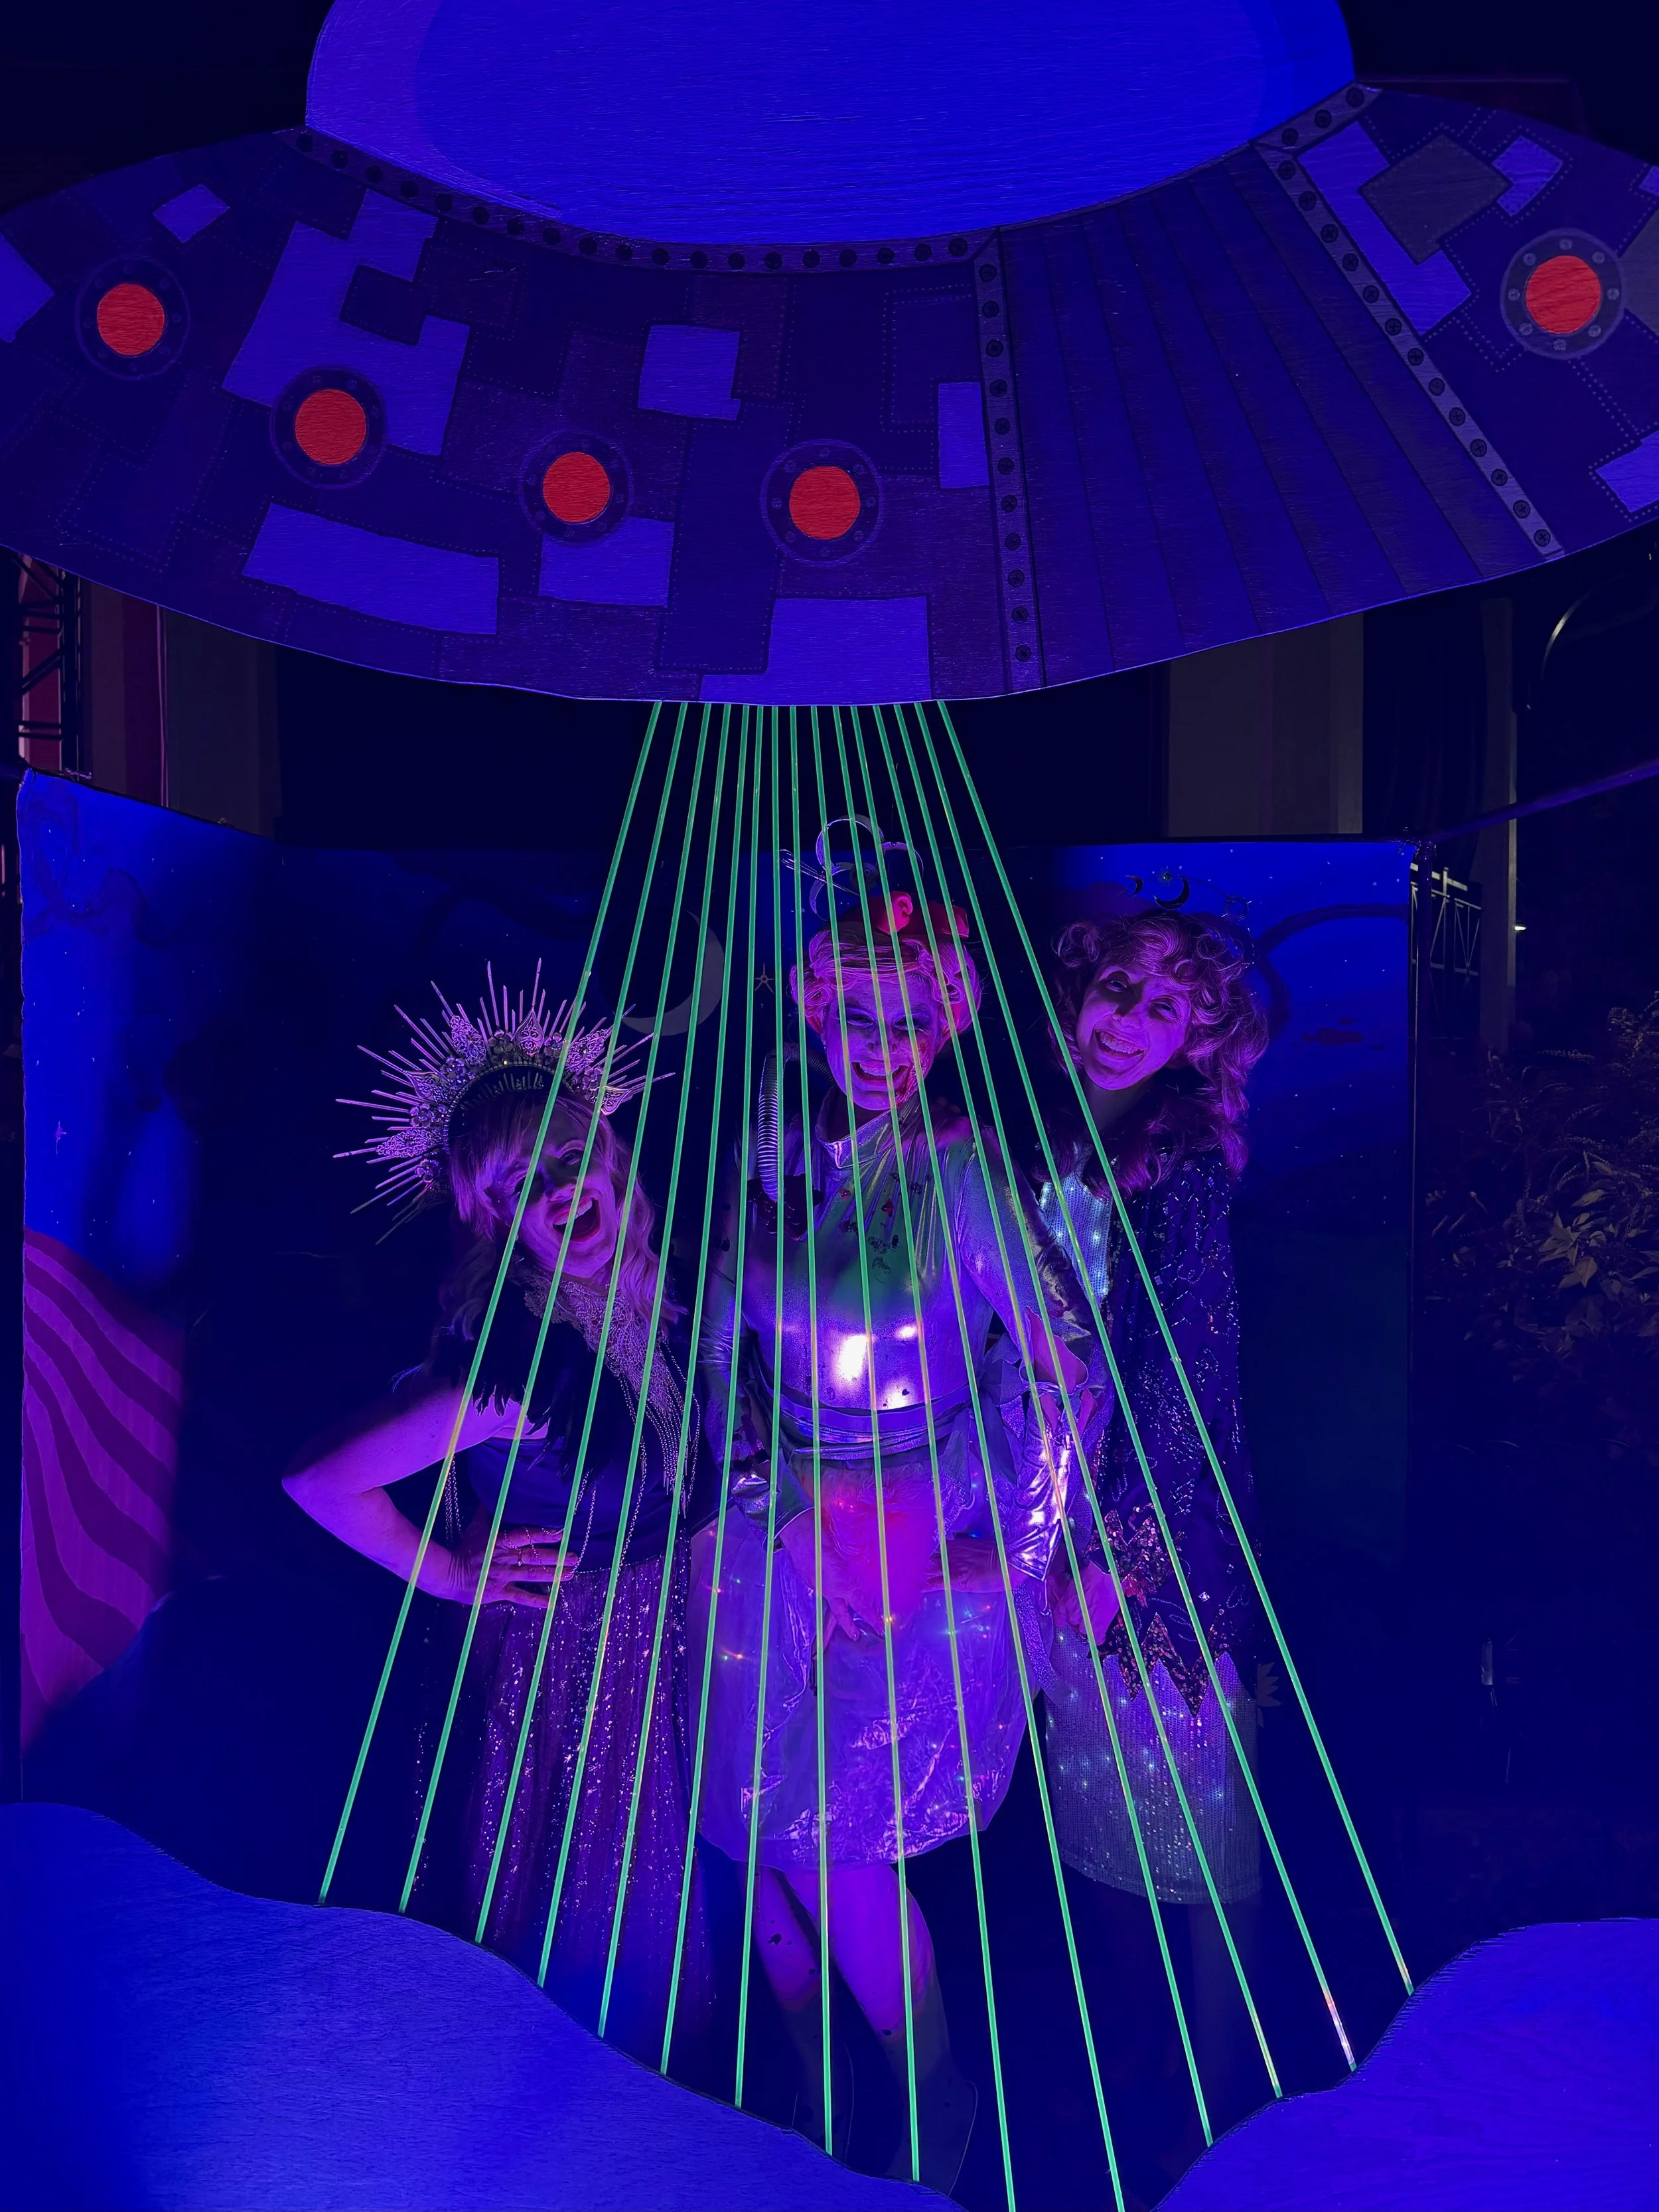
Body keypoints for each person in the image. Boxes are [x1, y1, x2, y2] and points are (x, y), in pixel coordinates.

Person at [695, 885, 1096, 2191]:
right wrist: (781, 1506)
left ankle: (925, 2107)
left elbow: (1059, 1370)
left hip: (911, 1564)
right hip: (763, 1550)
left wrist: (1003, 1542)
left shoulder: (962, 1167)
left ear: (945, 1027)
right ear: (816, 1008)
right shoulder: (753, 1158)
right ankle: (815, 2106)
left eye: (912, 1017)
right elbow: (704, 1368)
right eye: (859, 1011)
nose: (881, 1040)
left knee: (835, 1839)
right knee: (753, 1836)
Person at [284, 978, 712, 2065]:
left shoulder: (648, 1297)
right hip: (580, 1651)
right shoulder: (510, 1375)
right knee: (593, 1899)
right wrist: (453, 1574)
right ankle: (572, 2106)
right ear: (493, 1219)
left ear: (613, 1164)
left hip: (676, 1627)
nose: (563, 1190)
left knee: (672, 1878)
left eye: (573, 1160)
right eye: (526, 1184)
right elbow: (322, 1481)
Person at [1033, 906, 1273, 2180]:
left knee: (1204, 1845)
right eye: (1118, 988)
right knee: (1099, 1827)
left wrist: (1122, 1552)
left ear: (1195, 1042)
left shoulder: (1176, 1173)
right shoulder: (1035, 1139)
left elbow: (1191, 1379)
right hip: (1035, 1525)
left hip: (1149, 1552)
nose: (1127, 1021)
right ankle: (1134, 2113)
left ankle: (1226, 2132)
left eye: (1164, 1009)